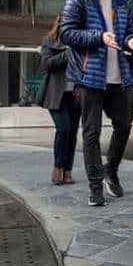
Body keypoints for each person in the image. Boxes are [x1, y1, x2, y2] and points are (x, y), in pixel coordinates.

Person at [60, 0, 133, 207]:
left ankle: (110, 171)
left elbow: (129, 31)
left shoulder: (123, 0)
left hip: (120, 76)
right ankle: (95, 187)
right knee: (92, 132)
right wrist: (98, 37)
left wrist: (132, 42)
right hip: (90, 76)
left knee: (124, 124)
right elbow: (66, 32)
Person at [38, 15, 80, 186]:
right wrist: (68, 54)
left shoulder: (81, 41)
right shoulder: (49, 40)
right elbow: (46, 65)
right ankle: (57, 167)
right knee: (63, 130)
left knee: (72, 133)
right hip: (56, 94)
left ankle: (68, 170)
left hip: (75, 95)